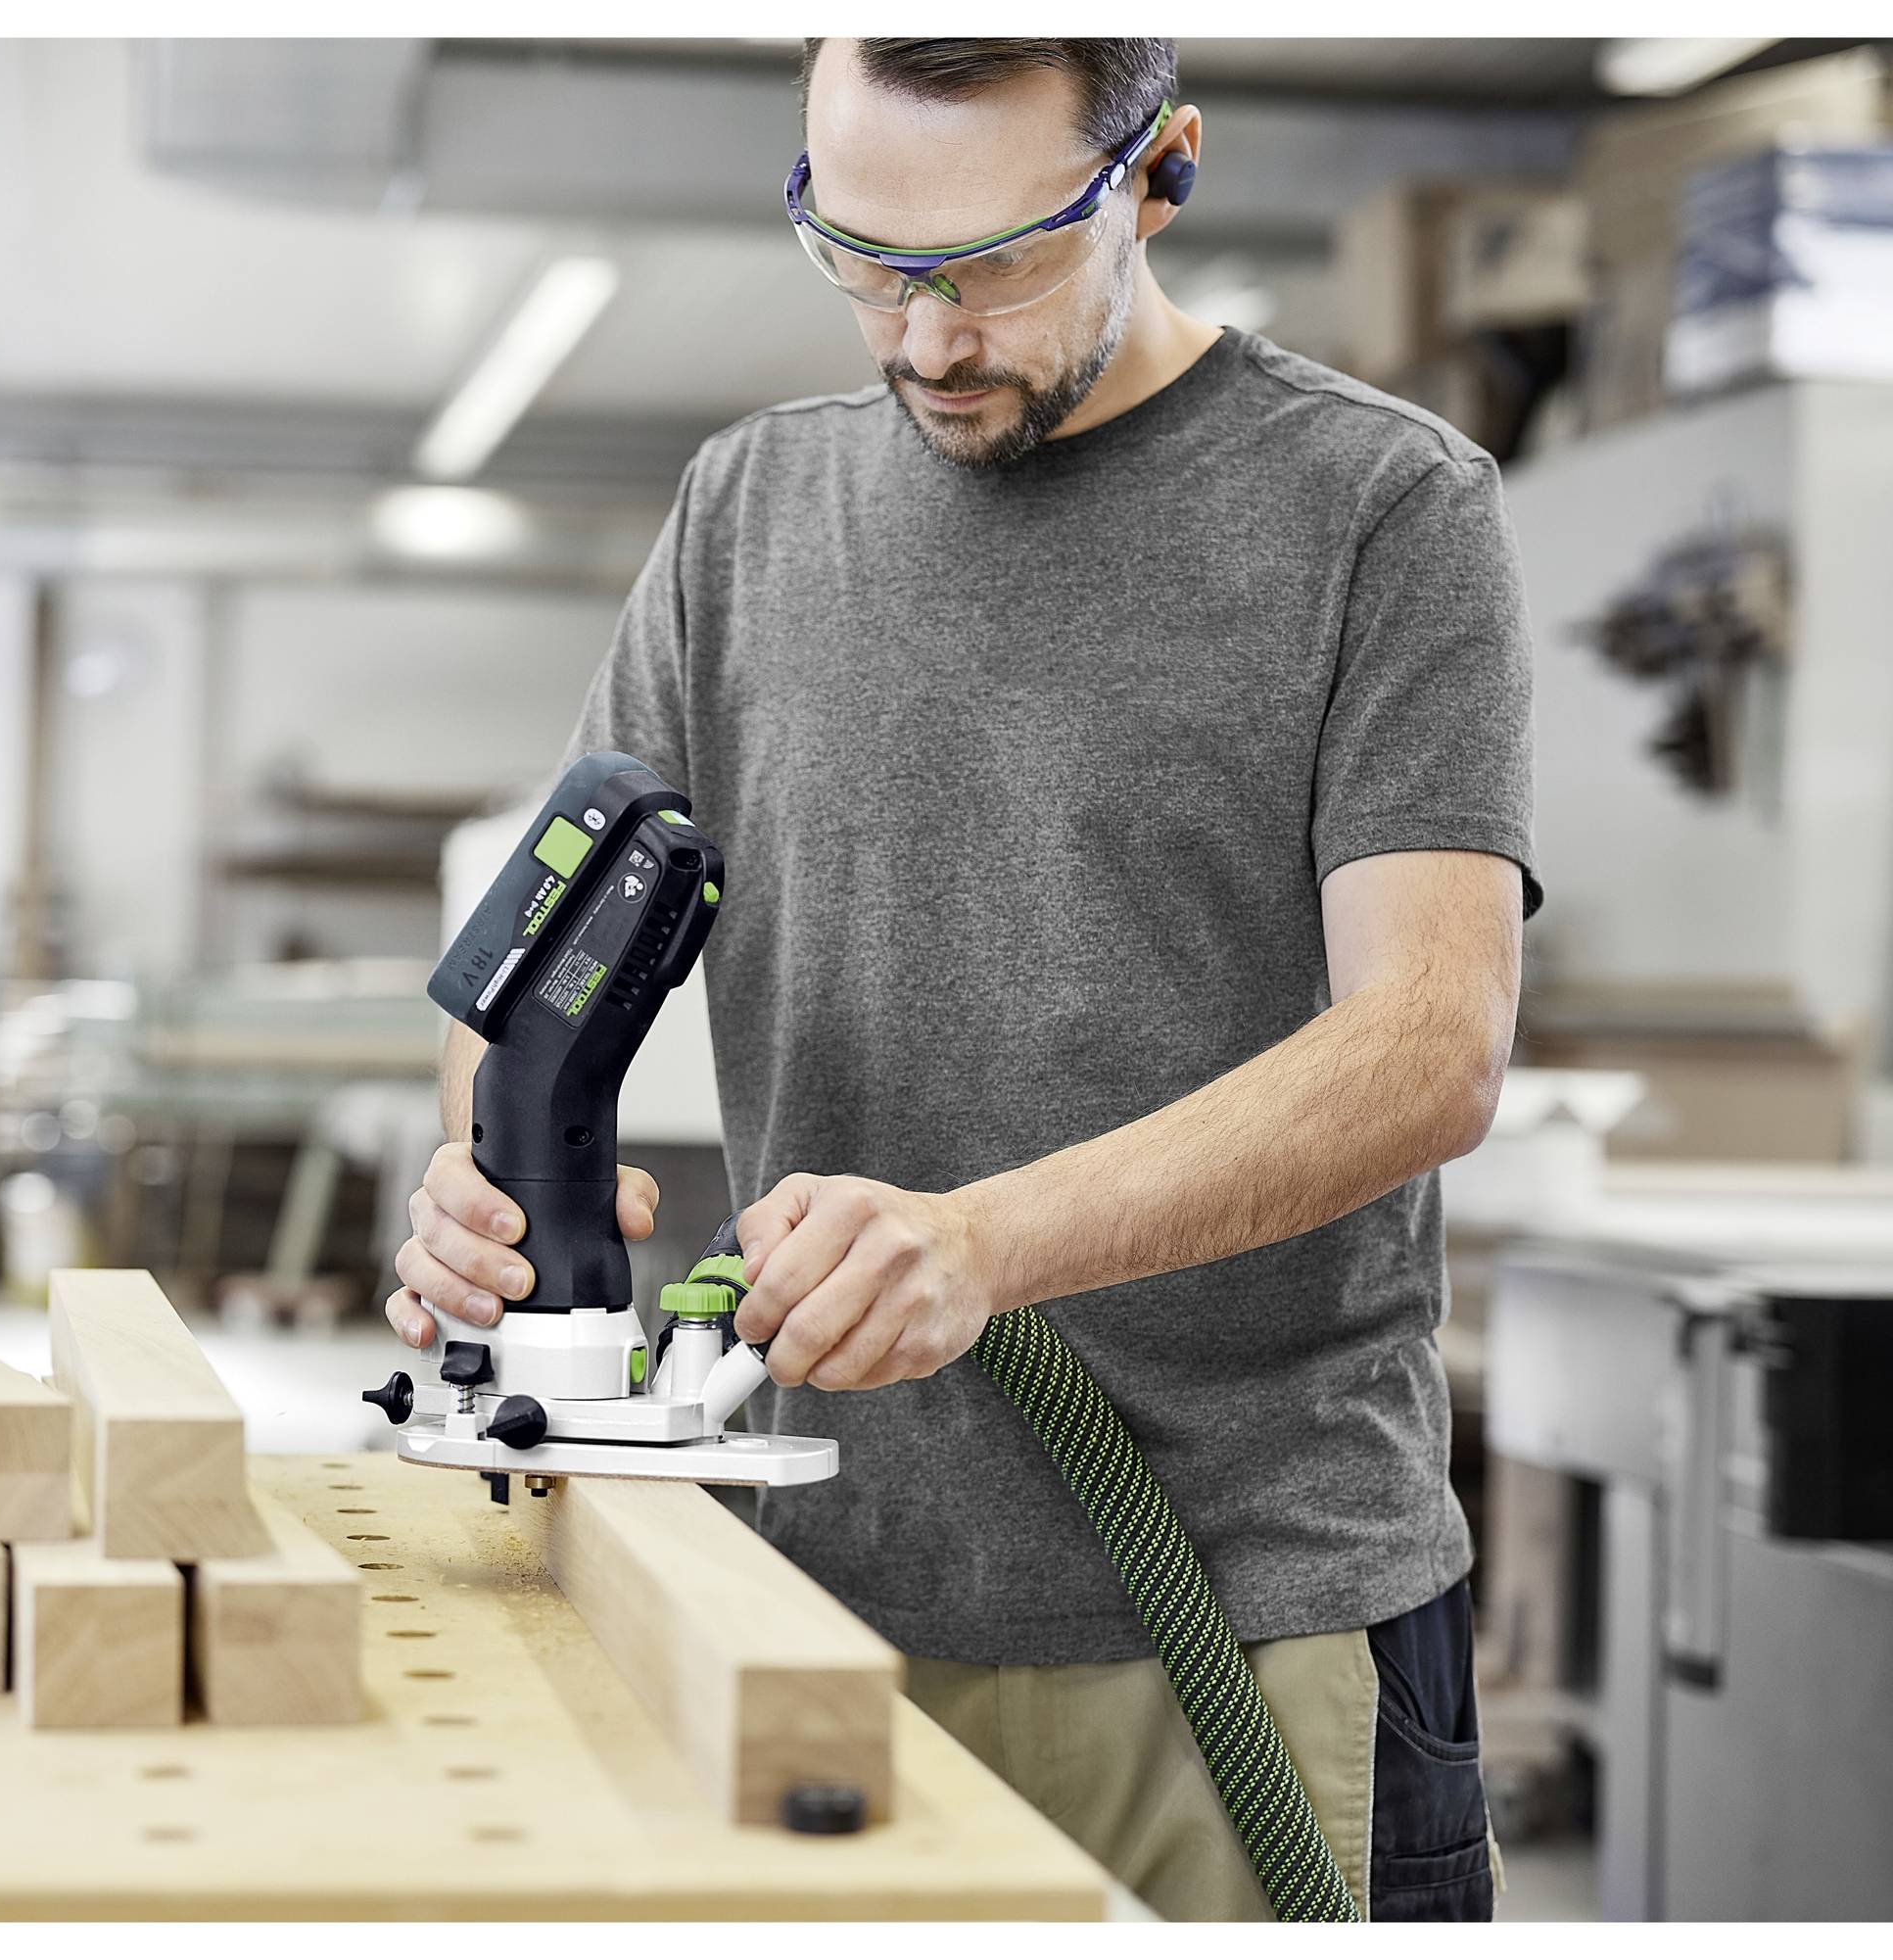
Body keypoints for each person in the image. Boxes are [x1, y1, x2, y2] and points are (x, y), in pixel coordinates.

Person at [382, 36, 1530, 1922]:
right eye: (861, 257)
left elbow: (1425, 1047)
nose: (923, 340)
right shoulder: (747, 512)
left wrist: (983, 1245)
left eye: (994, 262)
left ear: (1157, 172)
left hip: (1240, 1612)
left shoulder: (1379, 510)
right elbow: (553, 950)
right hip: (798, 1575)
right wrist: (497, 1187)